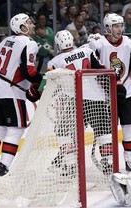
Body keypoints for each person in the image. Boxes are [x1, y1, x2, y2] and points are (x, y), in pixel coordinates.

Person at [0, 13, 42, 182]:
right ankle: (3, 166)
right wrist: (41, 83)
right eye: (29, 22)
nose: (33, 25)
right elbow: (28, 70)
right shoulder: (29, 43)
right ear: (21, 27)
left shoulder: (4, 41)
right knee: (16, 130)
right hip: (12, 91)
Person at [46, 30, 113, 175]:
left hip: (73, 100)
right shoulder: (87, 52)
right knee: (103, 131)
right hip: (96, 97)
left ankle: (70, 164)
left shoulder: (55, 62)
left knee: (63, 131)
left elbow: (49, 85)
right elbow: (102, 70)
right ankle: (109, 162)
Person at [89, 13, 131, 172]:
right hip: (104, 94)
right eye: (115, 26)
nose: (119, 29)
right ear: (107, 28)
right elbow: (94, 69)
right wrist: (113, 85)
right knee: (106, 131)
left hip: (127, 92)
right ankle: (108, 163)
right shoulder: (97, 44)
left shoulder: (129, 43)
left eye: (121, 25)